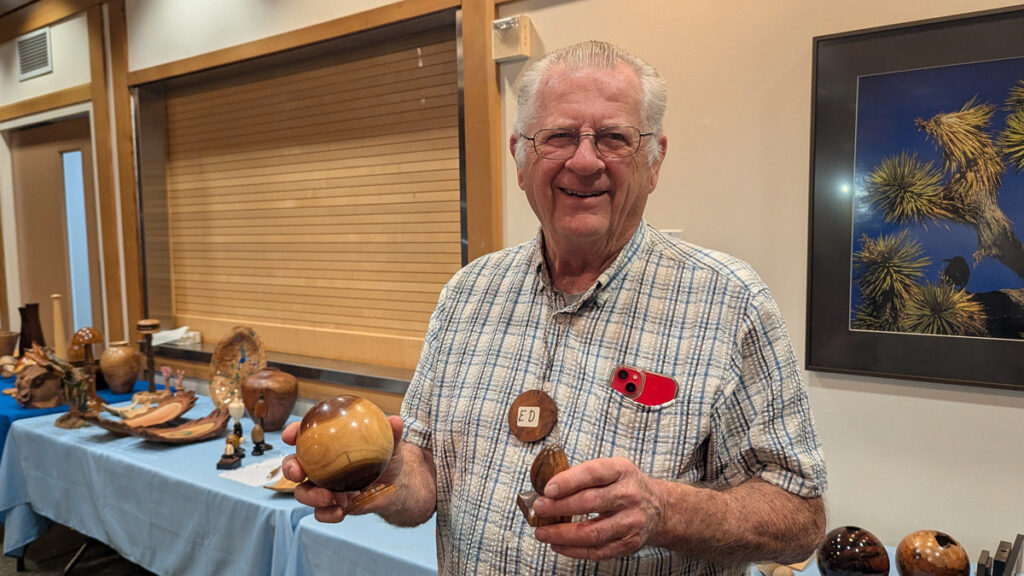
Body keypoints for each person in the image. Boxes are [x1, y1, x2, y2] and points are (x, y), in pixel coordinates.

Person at [282, 40, 827, 575]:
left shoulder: (730, 300)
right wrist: (383, 476)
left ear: (654, 161)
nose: (585, 161)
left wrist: (664, 511)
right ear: (521, 158)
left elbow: (801, 517)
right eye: (559, 136)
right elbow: (426, 481)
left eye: (614, 138)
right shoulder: (468, 293)